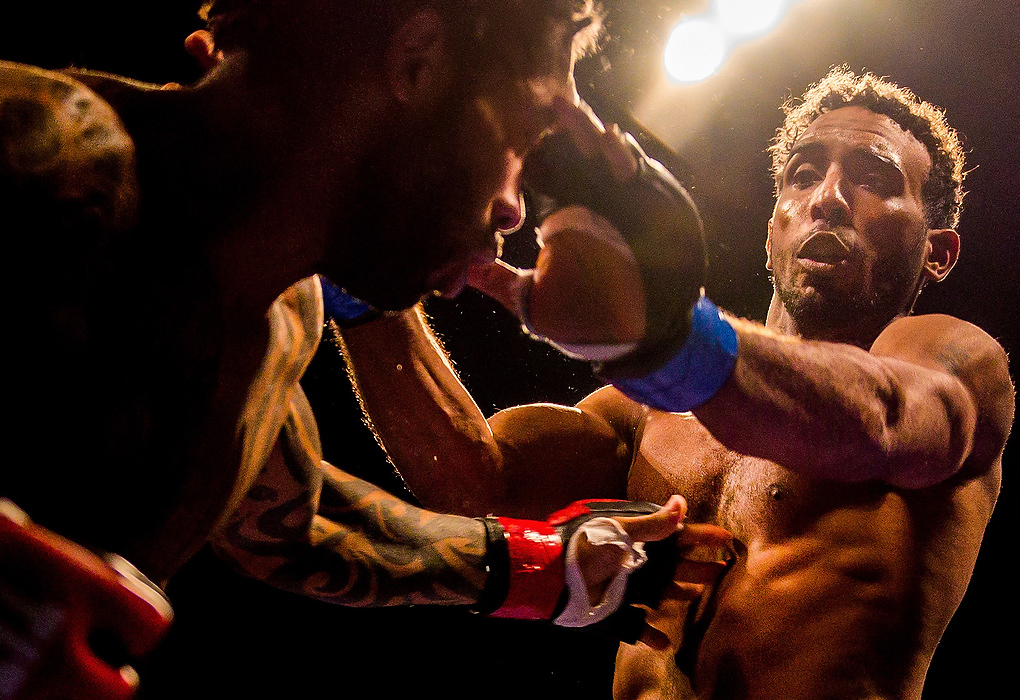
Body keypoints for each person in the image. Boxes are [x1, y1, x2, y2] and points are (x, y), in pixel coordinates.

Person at [0, 2, 727, 697]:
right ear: (417, 60)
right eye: (524, 138)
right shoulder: (47, 149)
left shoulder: (284, 319)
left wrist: (552, 568)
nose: (513, 206)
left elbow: (291, 529)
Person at [335, 67, 1014, 698]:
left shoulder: (953, 359)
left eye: (874, 180)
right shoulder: (648, 406)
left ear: (938, 252)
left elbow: (881, 418)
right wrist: (367, 285)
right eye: (803, 176)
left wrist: (663, 338)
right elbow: (470, 482)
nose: (828, 200)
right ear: (773, 222)